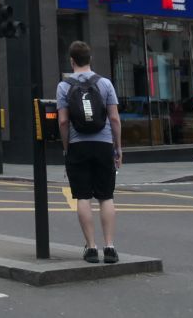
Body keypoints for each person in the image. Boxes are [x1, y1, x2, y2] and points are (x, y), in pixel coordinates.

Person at [57, 40, 122, 264]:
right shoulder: (105, 83)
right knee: (106, 197)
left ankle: (91, 248)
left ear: (72, 61)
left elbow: (63, 122)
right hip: (103, 145)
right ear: (90, 59)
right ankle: (110, 247)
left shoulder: (64, 86)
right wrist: (117, 147)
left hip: (78, 146)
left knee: (83, 197)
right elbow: (114, 118)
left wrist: (67, 148)